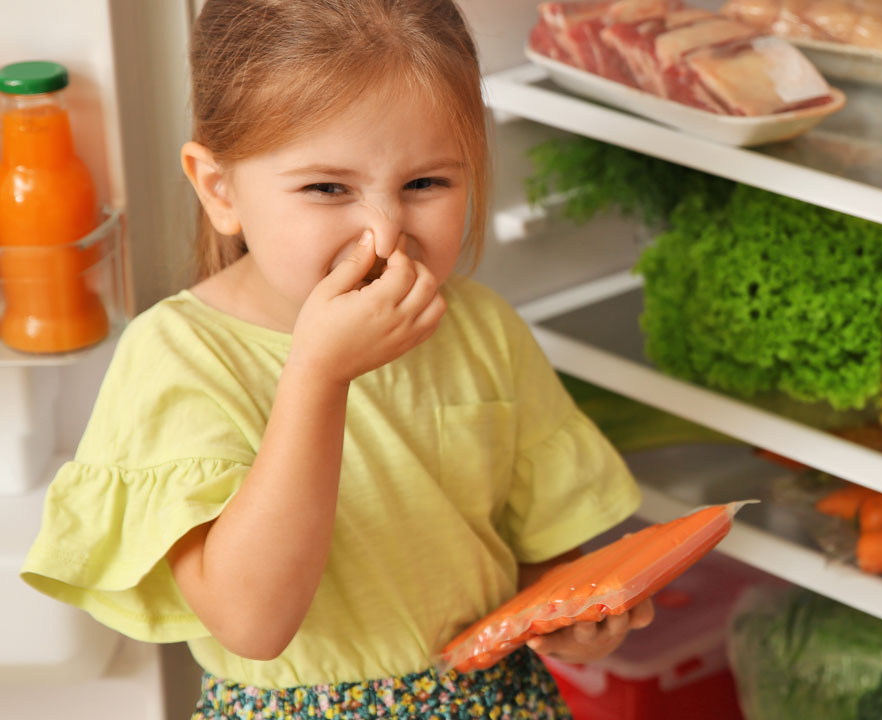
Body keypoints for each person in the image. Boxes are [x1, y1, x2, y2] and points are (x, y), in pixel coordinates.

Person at [21, 1, 651, 717]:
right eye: (328, 188)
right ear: (220, 190)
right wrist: (318, 374)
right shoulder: (180, 356)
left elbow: (540, 557)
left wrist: (574, 620)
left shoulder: (483, 330)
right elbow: (252, 622)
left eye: (426, 184)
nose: (385, 233)